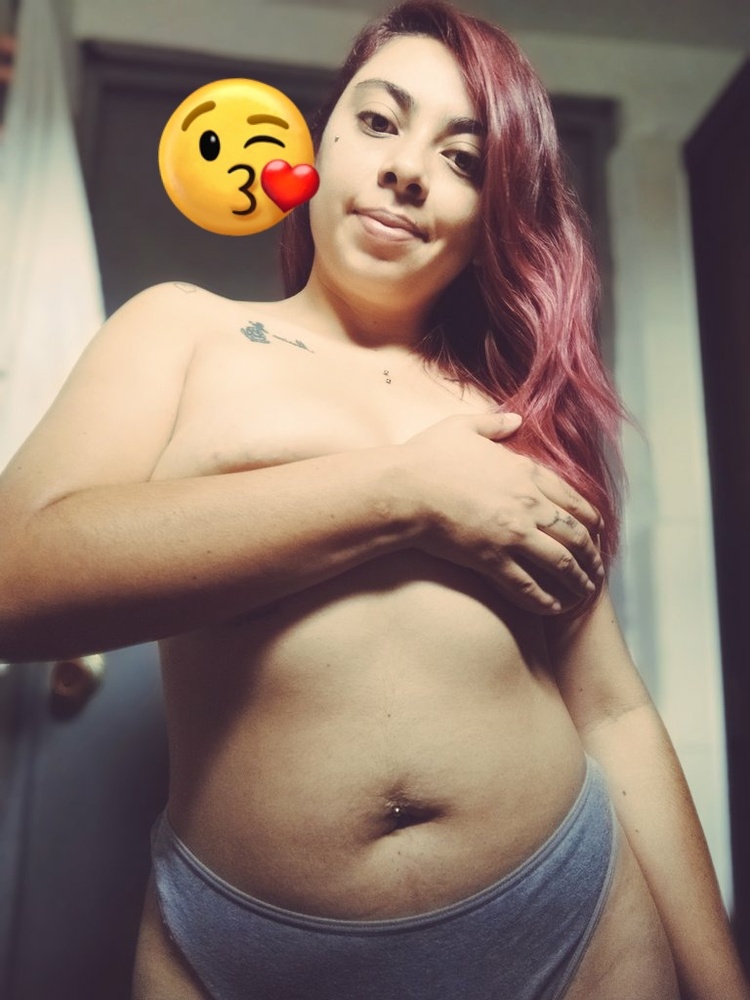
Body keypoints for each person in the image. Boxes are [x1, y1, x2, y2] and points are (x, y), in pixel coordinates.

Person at [0, 2, 746, 997]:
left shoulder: (506, 409)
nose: (406, 169)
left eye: (462, 157)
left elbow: (613, 713)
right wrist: (404, 489)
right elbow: (15, 578)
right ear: (316, 146)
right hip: (240, 950)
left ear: (487, 219)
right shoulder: (183, 330)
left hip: (575, 930)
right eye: (380, 121)